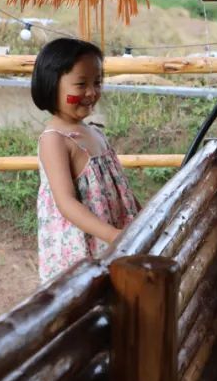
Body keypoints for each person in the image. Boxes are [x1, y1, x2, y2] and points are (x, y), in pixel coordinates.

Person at [32, 38, 140, 283]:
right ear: (51, 84)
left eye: (97, 82)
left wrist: (140, 217)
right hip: (83, 251)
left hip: (115, 240)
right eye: (81, 84)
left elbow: (121, 189)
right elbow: (66, 202)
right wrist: (112, 235)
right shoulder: (55, 140)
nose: (92, 92)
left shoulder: (95, 133)